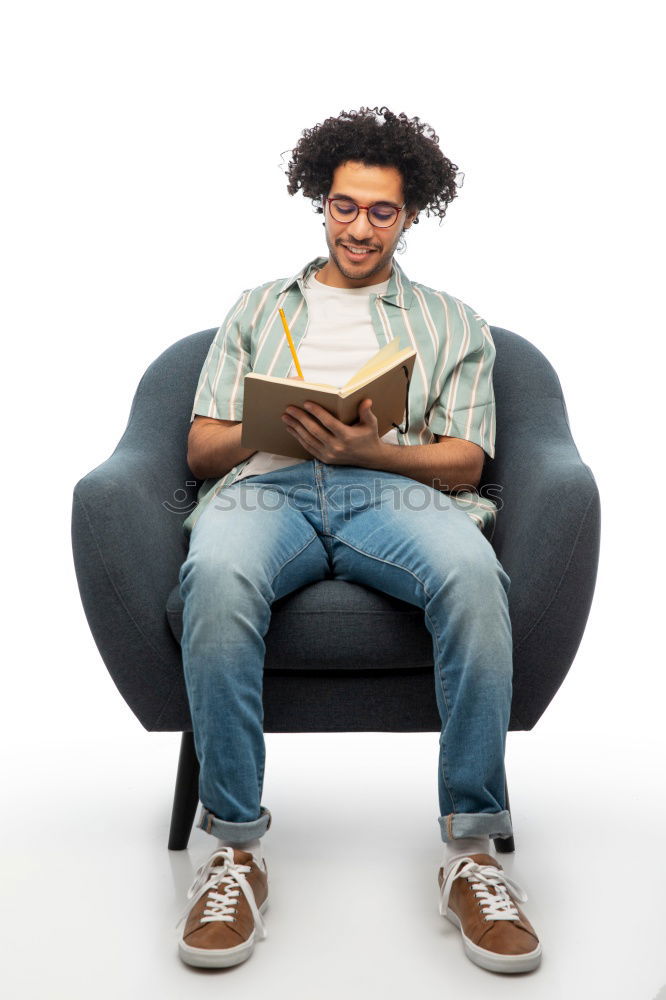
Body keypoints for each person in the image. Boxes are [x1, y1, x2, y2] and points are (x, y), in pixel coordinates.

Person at [175, 106, 542, 975]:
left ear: (411, 215)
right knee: (217, 577)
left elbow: (466, 459)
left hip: (393, 492)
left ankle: (472, 853)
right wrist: (284, 429)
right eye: (345, 206)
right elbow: (198, 447)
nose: (360, 228)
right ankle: (232, 849)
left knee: (473, 577)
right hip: (266, 487)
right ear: (321, 203)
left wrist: (369, 447)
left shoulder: (453, 322)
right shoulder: (258, 306)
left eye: (382, 211)